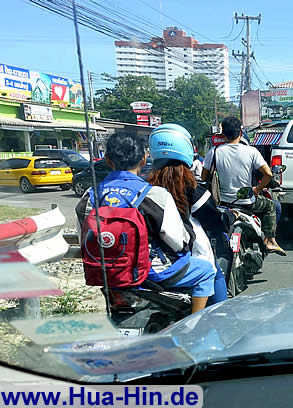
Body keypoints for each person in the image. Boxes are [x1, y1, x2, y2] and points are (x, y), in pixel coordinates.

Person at [76, 132, 221, 314]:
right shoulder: (154, 195)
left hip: (107, 274)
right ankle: (195, 323)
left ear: (107, 160)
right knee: (206, 270)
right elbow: (177, 243)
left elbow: (84, 238)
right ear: (144, 159)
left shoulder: (90, 196)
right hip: (152, 272)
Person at [147, 124, 228, 306]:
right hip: (182, 259)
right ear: (186, 149)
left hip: (148, 262)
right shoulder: (191, 189)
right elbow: (214, 221)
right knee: (214, 275)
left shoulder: (145, 186)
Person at [202, 116, 286, 256]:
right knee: (272, 206)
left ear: (223, 135)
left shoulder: (214, 152)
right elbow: (268, 175)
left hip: (222, 202)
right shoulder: (251, 151)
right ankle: (270, 240)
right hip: (247, 202)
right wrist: (257, 189)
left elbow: (204, 177)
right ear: (240, 133)